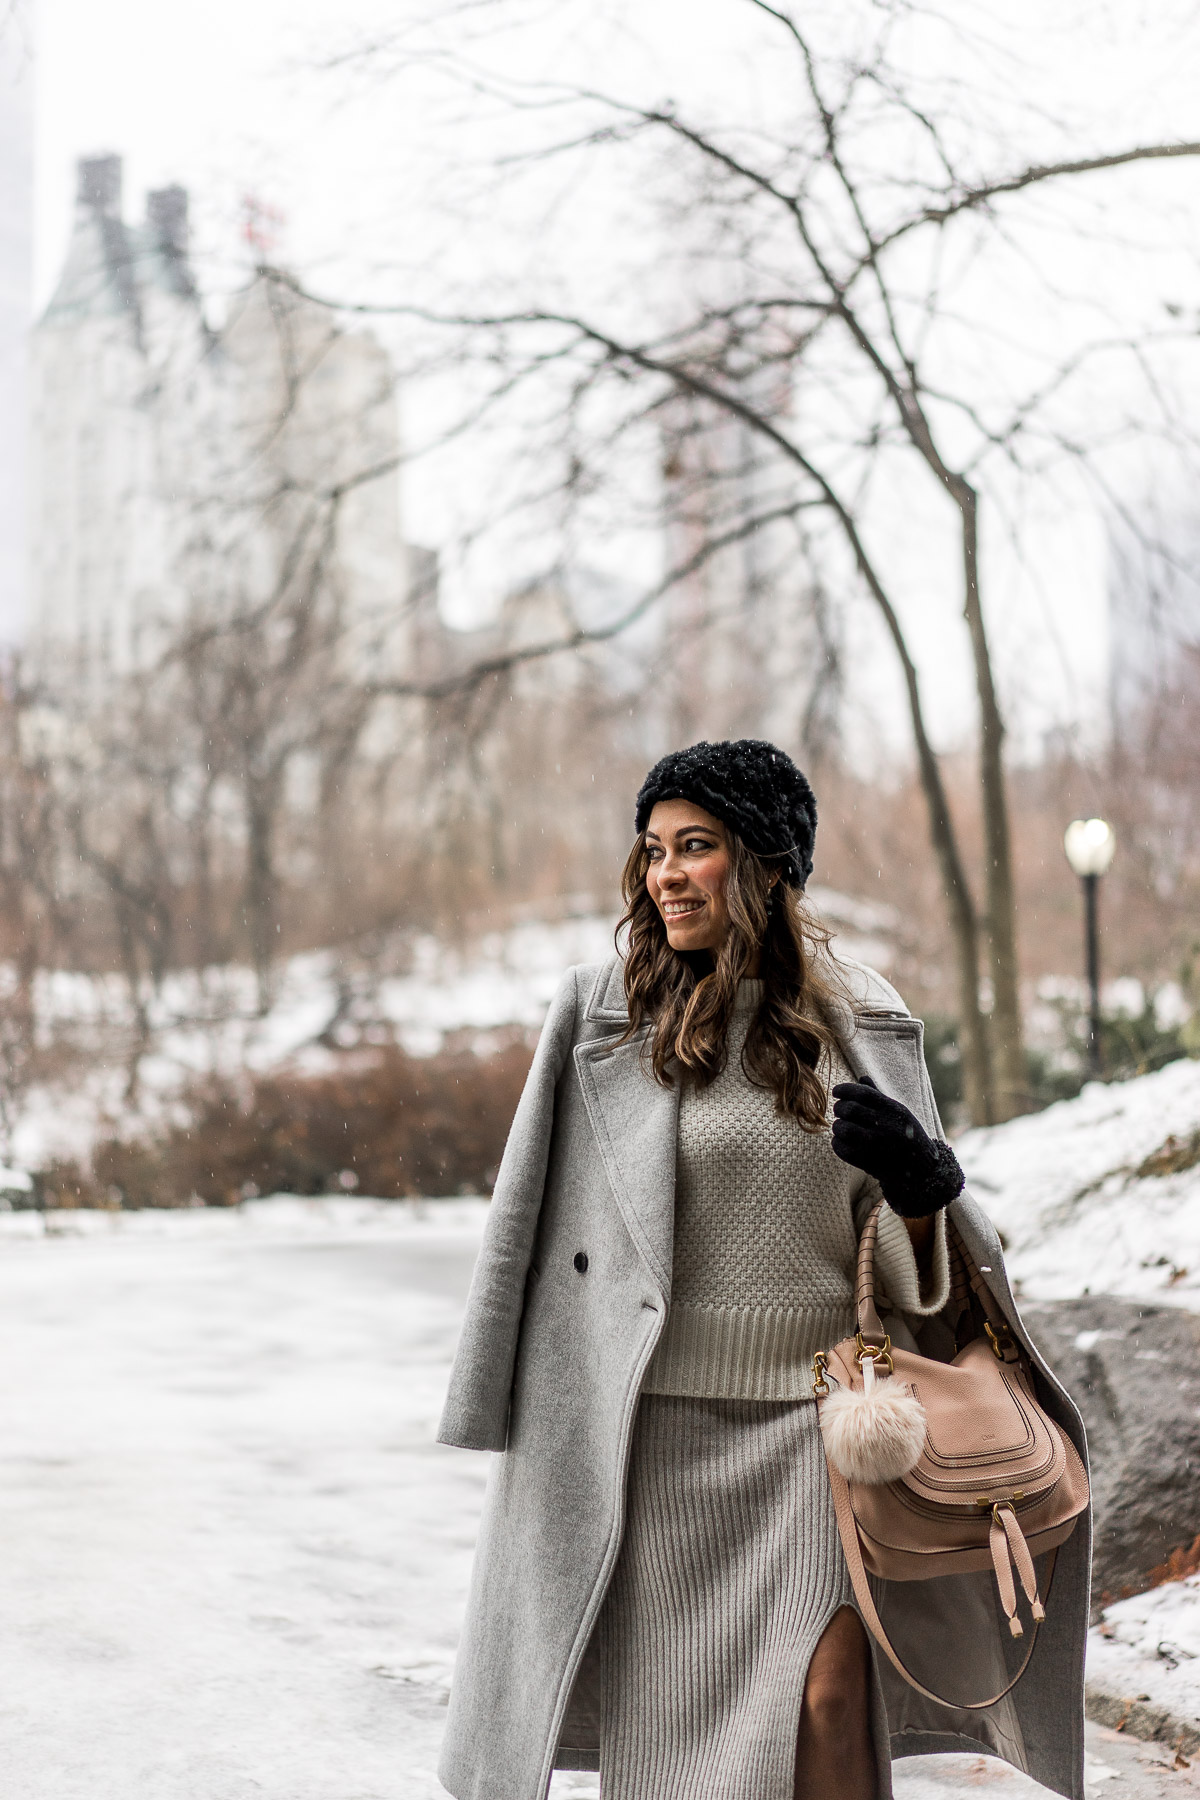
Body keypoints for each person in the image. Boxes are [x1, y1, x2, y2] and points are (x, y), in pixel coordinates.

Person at [436, 739, 1090, 1800]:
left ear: (766, 862)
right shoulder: (602, 1012)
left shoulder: (857, 1018)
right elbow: (521, 1220)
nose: (666, 874)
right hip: (650, 1441)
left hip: (819, 1434)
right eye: (654, 850)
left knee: (832, 1696)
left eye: (695, 846)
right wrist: (489, 1400)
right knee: (676, 1747)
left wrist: (922, 1189)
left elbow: (917, 1279)